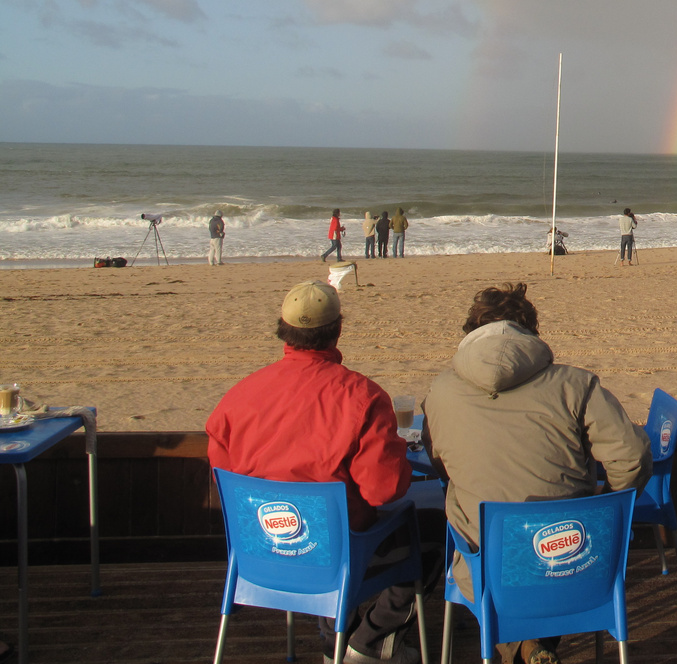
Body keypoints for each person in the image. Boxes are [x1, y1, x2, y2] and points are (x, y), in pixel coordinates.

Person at [422, 283, 651, 664]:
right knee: (548, 547)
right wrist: (605, 504)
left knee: (487, 532)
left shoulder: (440, 391)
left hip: (485, 562)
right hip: (570, 554)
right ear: (530, 330)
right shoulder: (575, 384)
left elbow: (440, 464)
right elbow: (631, 456)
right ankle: (530, 646)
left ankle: (521, 646)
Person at [207, 282, 426, 663]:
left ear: (283, 328)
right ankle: (369, 642)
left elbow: (224, 481)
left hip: (260, 550)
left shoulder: (239, 395)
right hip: (336, 554)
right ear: (337, 329)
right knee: (428, 528)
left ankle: (335, 636)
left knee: (321, 523)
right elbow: (384, 491)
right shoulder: (362, 396)